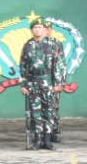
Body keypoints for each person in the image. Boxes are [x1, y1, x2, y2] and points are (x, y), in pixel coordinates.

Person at [19, 15, 64, 149]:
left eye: (40, 27)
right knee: (35, 112)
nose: (38, 30)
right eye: (35, 27)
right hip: (33, 82)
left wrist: (58, 83)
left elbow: (59, 65)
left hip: (48, 81)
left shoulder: (53, 45)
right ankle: (37, 140)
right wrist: (23, 84)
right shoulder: (27, 45)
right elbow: (23, 66)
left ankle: (47, 139)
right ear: (32, 30)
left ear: (45, 29)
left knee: (49, 111)